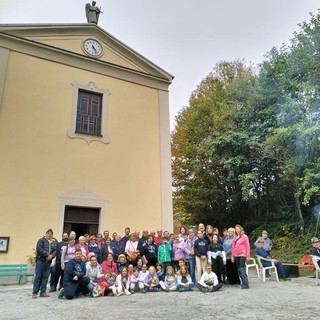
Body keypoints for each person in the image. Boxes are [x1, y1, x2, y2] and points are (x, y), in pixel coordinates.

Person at [32, 229, 56, 299]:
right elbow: (39, 249)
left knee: (45, 277)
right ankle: (35, 292)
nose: (50, 235)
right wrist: (47, 255)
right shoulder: (41, 240)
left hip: (48, 262)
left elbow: (55, 251)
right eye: (48, 233)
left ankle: (43, 291)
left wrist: (51, 256)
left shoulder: (53, 243)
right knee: (38, 276)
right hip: (41, 261)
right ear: (46, 234)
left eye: (51, 234)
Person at [232, 224, 250, 289]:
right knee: (238, 269)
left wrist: (248, 256)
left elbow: (247, 246)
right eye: (236, 229)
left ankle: (246, 283)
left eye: (238, 229)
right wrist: (232, 256)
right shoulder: (234, 238)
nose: (237, 230)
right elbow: (233, 247)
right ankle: (242, 282)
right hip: (236, 255)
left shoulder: (245, 237)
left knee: (242, 268)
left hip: (242, 254)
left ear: (241, 229)